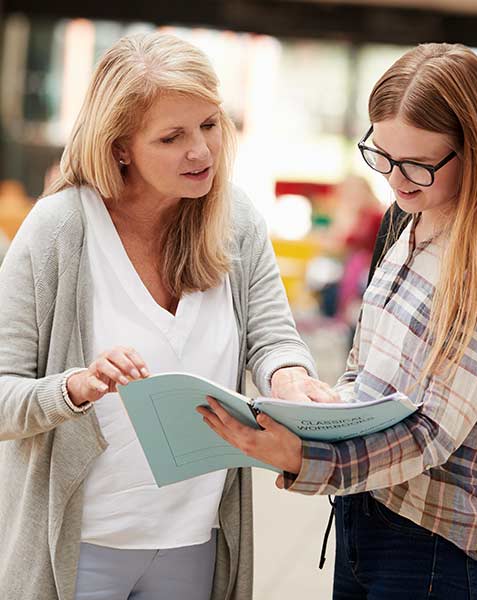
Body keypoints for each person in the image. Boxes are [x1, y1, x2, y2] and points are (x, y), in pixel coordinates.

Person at [198, 43, 477, 599]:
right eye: (382, 156)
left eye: (417, 164)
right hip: (361, 518)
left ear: (474, 149)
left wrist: (303, 457)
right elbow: (365, 376)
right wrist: (313, 408)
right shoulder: (405, 224)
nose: (396, 179)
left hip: (435, 549)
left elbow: (435, 432)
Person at [0, 32, 338, 600]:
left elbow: (273, 338)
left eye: (209, 125)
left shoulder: (236, 220)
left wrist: (291, 379)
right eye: (172, 137)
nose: (201, 152)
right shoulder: (60, 229)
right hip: (82, 546)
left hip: (194, 541)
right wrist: (75, 388)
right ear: (121, 146)